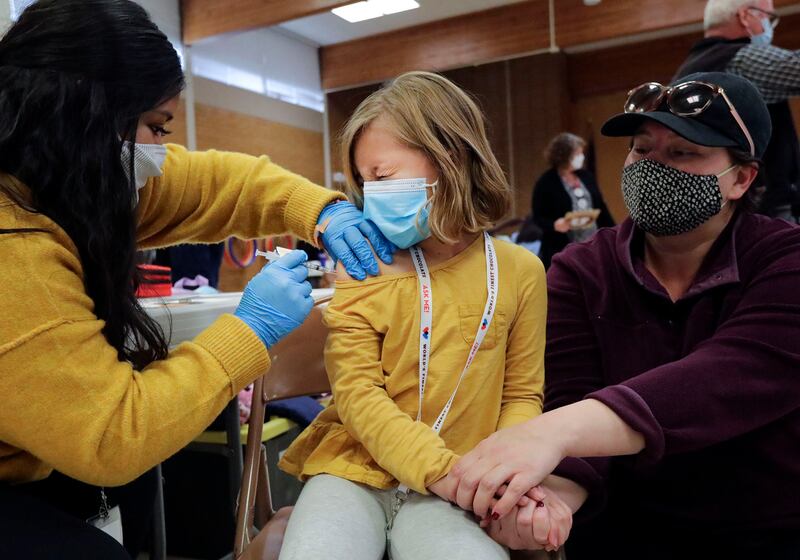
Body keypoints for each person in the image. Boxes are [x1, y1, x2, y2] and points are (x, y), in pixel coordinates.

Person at [0, 1, 394, 558]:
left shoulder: (71, 181)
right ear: (87, 116)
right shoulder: (14, 251)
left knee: (135, 496)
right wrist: (249, 330)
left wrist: (318, 208)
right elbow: (114, 433)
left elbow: (219, 182)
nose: (162, 153)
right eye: (155, 128)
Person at [439, 71, 800, 559]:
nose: (653, 167)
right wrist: (549, 502)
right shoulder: (581, 270)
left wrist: (555, 432)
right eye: (642, 149)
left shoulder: (784, 258)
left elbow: (734, 374)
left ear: (741, 177)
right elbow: (569, 393)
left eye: (682, 153)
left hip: (763, 526)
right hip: (625, 527)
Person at [276, 71, 572, 560]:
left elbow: (521, 393)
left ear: (449, 156)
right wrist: (444, 474)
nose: (370, 196)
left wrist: (507, 474)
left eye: (382, 176)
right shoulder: (362, 267)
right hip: (356, 473)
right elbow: (356, 395)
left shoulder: (520, 271)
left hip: (463, 480)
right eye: (363, 181)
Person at [675, 0, 800, 221]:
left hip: (714, 207)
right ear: (745, 16)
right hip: (764, 206)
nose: (771, 26)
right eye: (769, 18)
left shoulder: (687, 71)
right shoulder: (739, 59)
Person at [531, 133, 614, 268]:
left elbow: (601, 207)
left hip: (592, 242)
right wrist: (554, 225)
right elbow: (538, 217)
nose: (581, 157)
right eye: (577, 153)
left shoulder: (586, 176)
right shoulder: (546, 182)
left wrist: (613, 233)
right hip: (562, 245)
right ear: (564, 155)